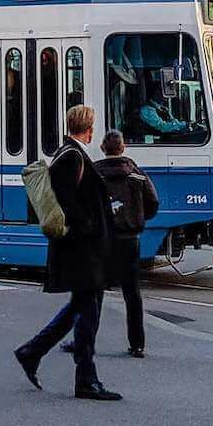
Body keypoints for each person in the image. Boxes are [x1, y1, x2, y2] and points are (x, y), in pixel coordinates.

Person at [14, 105, 122, 401]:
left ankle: (32, 352)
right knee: (88, 313)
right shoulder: (72, 156)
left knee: (80, 308)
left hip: (83, 249)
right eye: (92, 126)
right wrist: (87, 226)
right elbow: (67, 199)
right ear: (87, 128)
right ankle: (86, 379)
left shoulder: (69, 153)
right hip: (82, 250)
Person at [83, 131, 158, 357]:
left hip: (102, 240)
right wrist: (137, 217)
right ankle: (137, 344)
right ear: (123, 147)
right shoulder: (136, 173)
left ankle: (87, 341)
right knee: (132, 294)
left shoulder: (94, 173)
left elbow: (84, 205)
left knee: (94, 292)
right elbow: (153, 202)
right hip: (130, 240)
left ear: (103, 148)